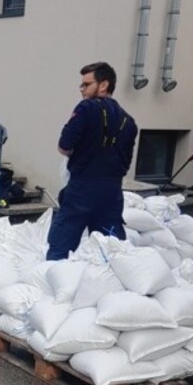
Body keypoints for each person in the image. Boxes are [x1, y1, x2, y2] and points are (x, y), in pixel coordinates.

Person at [46, 62, 138, 261]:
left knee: (61, 247)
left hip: (82, 189)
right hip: (112, 193)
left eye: (86, 85)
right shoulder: (129, 122)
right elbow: (126, 163)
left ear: (103, 85)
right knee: (112, 252)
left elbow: (64, 146)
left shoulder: (86, 108)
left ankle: (55, 286)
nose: (82, 90)